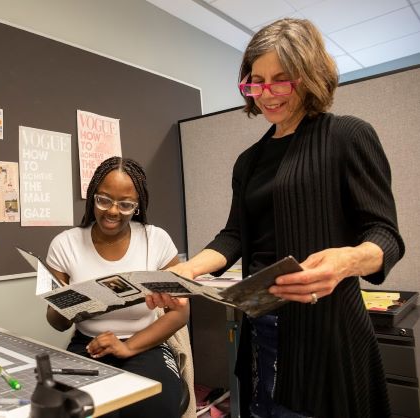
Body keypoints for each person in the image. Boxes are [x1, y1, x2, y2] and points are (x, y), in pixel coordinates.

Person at [147, 18, 405, 418]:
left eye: (281, 80)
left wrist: (345, 262)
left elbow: (385, 235)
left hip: (326, 334)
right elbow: (233, 236)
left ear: (310, 77)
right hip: (261, 326)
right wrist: (186, 273)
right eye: (256, 81)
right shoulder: (248, 162)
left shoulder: (349, 136)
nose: (266, 94)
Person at [46, 156, 189, 418]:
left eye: (125, 204)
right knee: (84, 410)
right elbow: (56, 323)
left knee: (153, 406)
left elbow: (180, 313)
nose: (112, 211)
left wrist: (129, 346)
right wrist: (65, 303)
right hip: (87, 345)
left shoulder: (155, 240)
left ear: (137, 206)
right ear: (92, 197)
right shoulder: (64, 244)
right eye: (104, 200)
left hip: (147, 344)